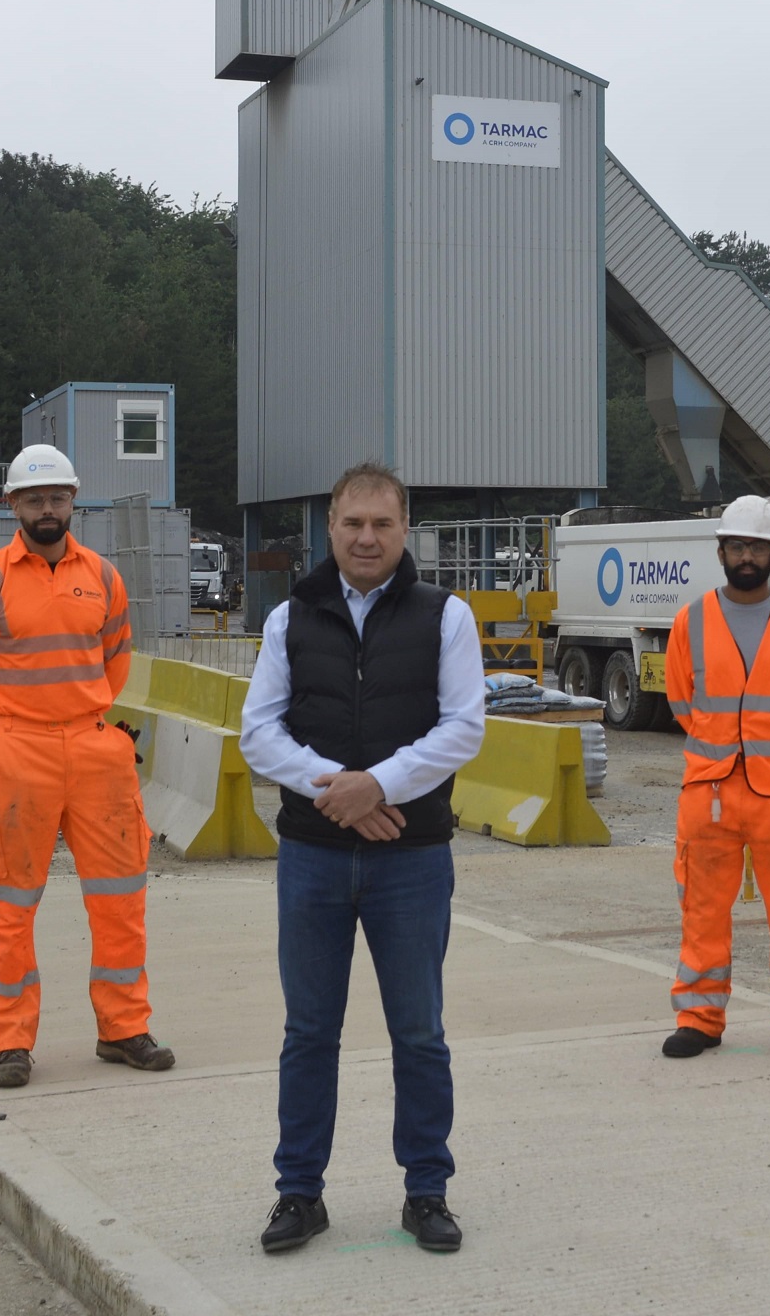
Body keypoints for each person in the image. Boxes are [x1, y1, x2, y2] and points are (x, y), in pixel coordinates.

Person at [238, 462, 485, 1257]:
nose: (366, 538)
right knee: (308, 1031)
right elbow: (259, 732)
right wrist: (335, 791)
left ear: (403, 528)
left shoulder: (444, 616)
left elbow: (462, 728)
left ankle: (427, 1191)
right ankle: (298, 1194)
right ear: (331, 528)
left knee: (418, 1033)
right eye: (352, 524)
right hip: (313, 858)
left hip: (409, 862)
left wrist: (376, 784)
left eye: (381, 524)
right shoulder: (289, 618)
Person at [0, 445, 175, 1090]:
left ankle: (124, 1029)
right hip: (19, 753)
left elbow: (115, 662)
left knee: (121, 900)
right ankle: (10, 1043)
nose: (48, 509)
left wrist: (78, 720)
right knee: (11, 905)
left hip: (96, 750)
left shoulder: (102, 576)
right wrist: (7, 731)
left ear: (73, 501)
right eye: (35, 499)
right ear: (14, 505)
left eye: (58, 498)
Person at [661, 494, 770, 1062]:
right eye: (737, 546)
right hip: (709, 791)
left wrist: (769, 750)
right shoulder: (689, 622)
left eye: (757, 547)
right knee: (702, 910)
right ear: (721, 551)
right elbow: (680, 701)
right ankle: (699, 1017)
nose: (746, 556)